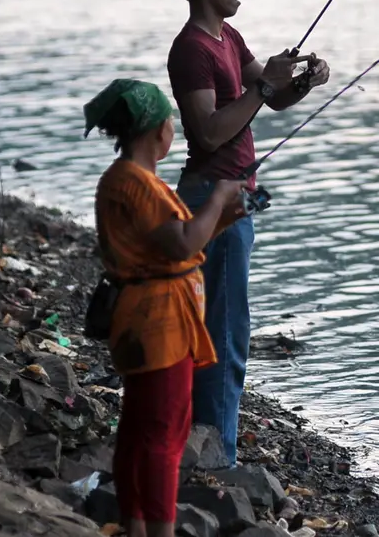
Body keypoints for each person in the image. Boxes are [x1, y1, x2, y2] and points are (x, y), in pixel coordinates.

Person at [163, 0, 331, 466]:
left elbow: (271, 98)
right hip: (215, 200)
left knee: (216, 327)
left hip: (232, 199)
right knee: (226, 335)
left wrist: (300, 81)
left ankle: (201, 445)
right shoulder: (191, 49)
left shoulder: (229, 38)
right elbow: (209, 132)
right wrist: (261, 91)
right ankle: (220, 460)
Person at [84, 78, 249, 537]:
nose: (173, 129)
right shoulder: (136, 185)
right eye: (171, 121)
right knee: (164, 435)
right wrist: (217, 196)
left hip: (147, 321)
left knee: (140, 428)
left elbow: (177, 245)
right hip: (158, 326)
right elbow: (180, 247)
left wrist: (228, 213)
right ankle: (159, 529)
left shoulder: (130, 180)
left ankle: (135, 524)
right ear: (157, 130)